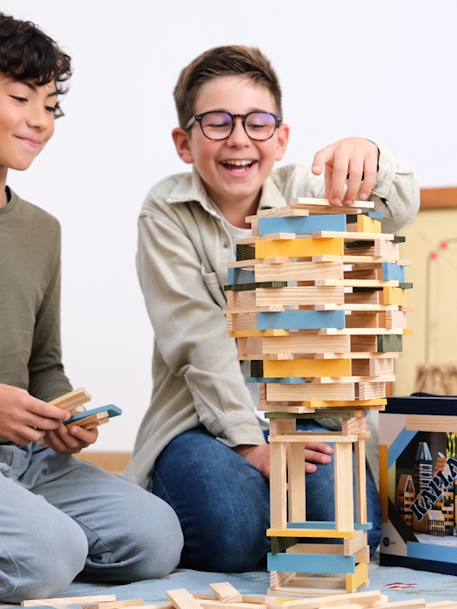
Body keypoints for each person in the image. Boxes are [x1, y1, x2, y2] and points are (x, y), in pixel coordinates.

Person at [125, 45, 420, 571]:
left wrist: (371, 155)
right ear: (183, 142)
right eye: (216, 123)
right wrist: (249, 447)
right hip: (204, 421)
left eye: (257, 123)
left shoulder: (308, 192)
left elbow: (399, 211)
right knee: (234, 533)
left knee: (350, 533)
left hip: (312, 418)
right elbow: (199, 338)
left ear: (281, 138)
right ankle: (195, 502)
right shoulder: (165, 211)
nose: (239, 139)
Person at [0, 13, 183, 603]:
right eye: (20, 97)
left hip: (23, 458)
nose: (39, 120)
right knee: (50, 555)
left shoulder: (39, 230)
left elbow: (43, 363)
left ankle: (35, 539)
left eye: (50, 105)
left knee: (156, 538)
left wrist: (63, 415)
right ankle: (40, 546)